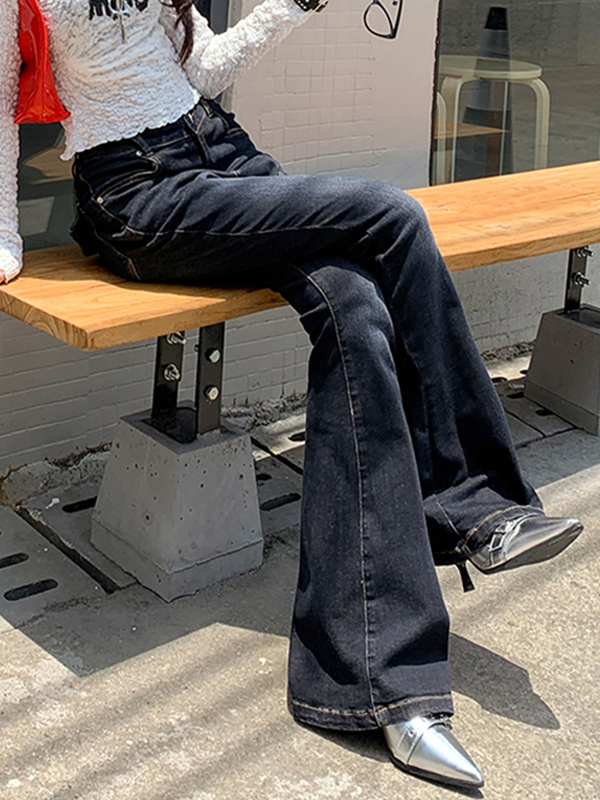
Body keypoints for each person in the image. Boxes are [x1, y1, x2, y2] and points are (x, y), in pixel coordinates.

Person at [0, 0, 583, 789]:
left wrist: (288, 8)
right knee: (392, 215)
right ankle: (474, 503)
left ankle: (377, 685)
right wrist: (5, 234)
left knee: (356, 308)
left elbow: (202, 70)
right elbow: (1, 98)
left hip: (220, 154)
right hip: (136, 195)